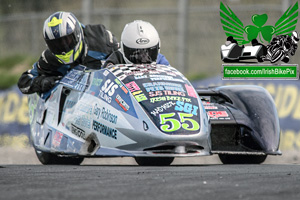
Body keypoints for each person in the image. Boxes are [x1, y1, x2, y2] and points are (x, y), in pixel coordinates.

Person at [18, 11, 119, 94]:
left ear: (78, 33)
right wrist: (41, 82)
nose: (63, 47)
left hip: (105, 96)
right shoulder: (49, 58)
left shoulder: (102, 39)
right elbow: (24, 82)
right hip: (70, 109)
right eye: (56, 44)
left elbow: (123, 60)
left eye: (67, 40)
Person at [103, 20, 169, 68]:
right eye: (136, 53)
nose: (143, 59)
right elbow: (104, 77)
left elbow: (171, 75)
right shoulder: (116, 58)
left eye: (148, 52)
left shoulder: (160, 59)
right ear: (123, 49)